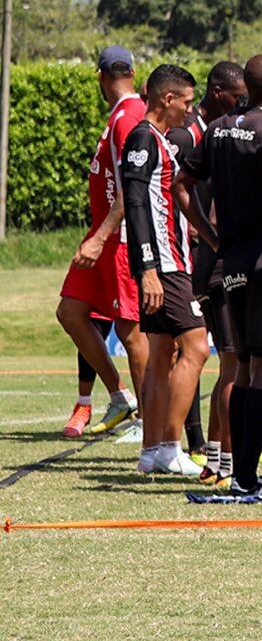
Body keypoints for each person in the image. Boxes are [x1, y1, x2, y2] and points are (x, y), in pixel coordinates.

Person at [181, 55, 262, 495]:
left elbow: (180, 185)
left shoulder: (216, 130)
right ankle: (248, 478)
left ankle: (239, 474)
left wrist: (213, 239)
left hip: (230, 260)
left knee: (244, 366)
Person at [54, 46, 148, 438]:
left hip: (119, 239)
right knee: (71, 312)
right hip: (103, 237)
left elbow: (131, 187)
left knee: (131, 332)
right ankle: (120, 394)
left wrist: (102, 237)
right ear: (132, 71)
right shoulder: (119, 116)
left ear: (100, 77)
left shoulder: (129, 117)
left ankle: (149, 421)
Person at [121, 64, 206, 477]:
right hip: (166, 266)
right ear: (167, 99)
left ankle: (151, 450)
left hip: (172, 262)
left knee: (160, 355)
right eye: (186, 103)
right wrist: (148, 267)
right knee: (197, 348)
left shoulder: (158, 139)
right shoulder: (141, 139)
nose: (190, 113)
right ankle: (173, 445)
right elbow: (135, 204)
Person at [188, 62, 252, 483]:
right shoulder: (223, 137)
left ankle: (214, 460)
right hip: (222, 268)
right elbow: (186, 192)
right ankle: (227, 463)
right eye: (238, 94)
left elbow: (183, 189)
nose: (243, 101)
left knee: (229, 368)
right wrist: (215, 240)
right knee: (235, 367)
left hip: (210, 266)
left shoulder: (214, 134)